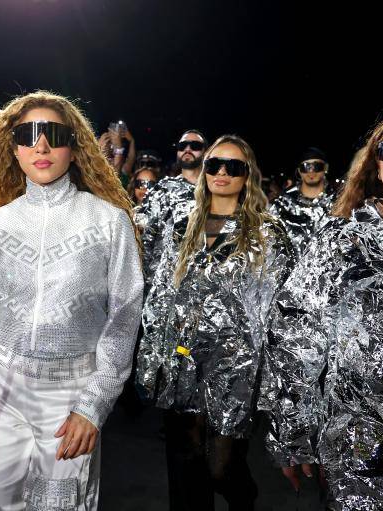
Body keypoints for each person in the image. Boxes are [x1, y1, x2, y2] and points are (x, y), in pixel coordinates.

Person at [0, 91, 143, 510]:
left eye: (54, 134)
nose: (40, 146)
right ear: (13, 148)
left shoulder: (110, 222)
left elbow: (123, 320)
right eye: (28, 135)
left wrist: (92, 406)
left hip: (71, 391)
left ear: (74, 147)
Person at [266, 109, 383, 510]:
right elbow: (296, 339)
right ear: (376, 161)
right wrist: (294, 433)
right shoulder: (339, 242)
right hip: (363, 449)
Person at [137, 135, 294, 511]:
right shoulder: (182, 226)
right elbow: (159, 294)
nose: (222, 172)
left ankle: (245, 498)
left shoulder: (268, 233)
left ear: (248, 176)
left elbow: (282, 311)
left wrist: (276, 381)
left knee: (221, 467)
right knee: (185, 463)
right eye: (214, 165)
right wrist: (149, 359)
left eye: (233, 167)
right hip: (181, 360)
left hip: (234, 369)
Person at [135, 129, 207, 287]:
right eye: (182, 146)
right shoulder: (163, 189)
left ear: (205, 152)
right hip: (160, 285)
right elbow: (145, 237)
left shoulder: (214, 192)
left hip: (199, 286)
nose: (187, 149)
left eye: (194, 145)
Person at [269, 147, 335, 258]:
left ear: (325, 168)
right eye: (306, 167)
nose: (311, 171)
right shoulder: (284, 203)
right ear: (299, 171)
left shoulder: (338, 201)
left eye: (316, 166)